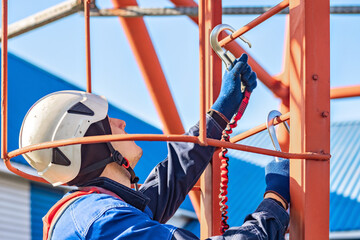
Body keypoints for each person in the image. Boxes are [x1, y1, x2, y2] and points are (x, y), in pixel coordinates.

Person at [19, 54, 289, 240]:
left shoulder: (93, 211)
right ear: (93, 145)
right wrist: (275, 201)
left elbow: (172, 177)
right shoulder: (104, 221)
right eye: (107, 121)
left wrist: (220, 113)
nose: (121, 122)